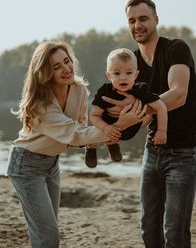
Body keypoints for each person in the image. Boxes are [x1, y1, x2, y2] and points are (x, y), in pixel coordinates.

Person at [7, 40, 144, 248]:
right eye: (56, 67)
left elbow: (81, 126)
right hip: (25, 166)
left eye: (66, 61)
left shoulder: (79, 90)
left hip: (52, 164)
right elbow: (74, 133)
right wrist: (118, 125)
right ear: (45, 73)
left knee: (48, 232)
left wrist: (112, 128)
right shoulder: (41, 104)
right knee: (47, 236)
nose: (66, 69)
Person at [102, 0, 196, 248]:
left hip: (184, 152)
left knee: (175, 232)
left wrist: (140, 109)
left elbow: (179, 94)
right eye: (132, 20)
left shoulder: (176, 49)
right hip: (152, 151)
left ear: (156, 19)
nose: (138, 25)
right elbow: (129, 117)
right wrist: (112, 123)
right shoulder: (131, 65)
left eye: (143, 18)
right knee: (148, 227)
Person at [85, 47, 167, 168]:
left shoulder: (140, 90)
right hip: (108, 127)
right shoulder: (105, 91)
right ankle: (91, 146)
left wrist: (161, 131)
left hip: (129, 130)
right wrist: (106, 128)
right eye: (117, 73)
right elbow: (94, 115)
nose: (123, 77)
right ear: (109, 75)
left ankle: (112, 144)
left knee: (148, 116)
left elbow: (161, 107)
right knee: (96, 132)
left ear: (136, 74)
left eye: (129, 73)